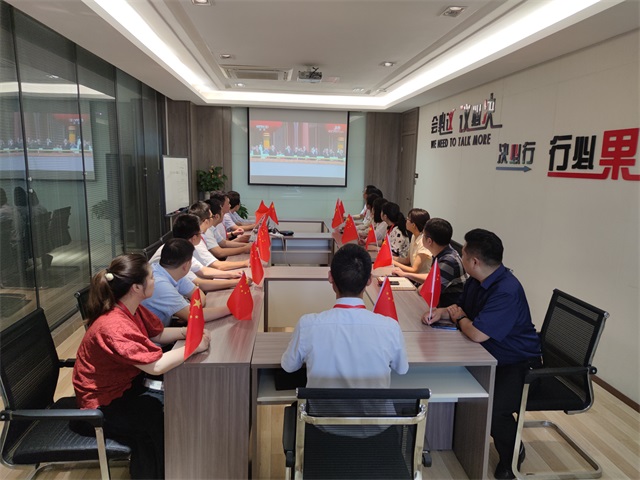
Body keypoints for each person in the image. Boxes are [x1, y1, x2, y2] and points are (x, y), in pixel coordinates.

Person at [72, 253, 211, 479]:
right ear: (136, 287)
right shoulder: (114, 325)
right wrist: (193, 346)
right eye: (151, 277)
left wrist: (187, 332)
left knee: (177, 403)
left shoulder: (130, 307)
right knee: (159, 424)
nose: (155, 280)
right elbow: (155, 367)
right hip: (103, 405)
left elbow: (156, 334)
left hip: (127, 386)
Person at [422, 229, 541, 479]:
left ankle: (512, 456)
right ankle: (451, 437)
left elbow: (476, 333)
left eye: (463, 254)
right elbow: (460, 308)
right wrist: (442, 312)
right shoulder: (477, 280)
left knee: (494, 408)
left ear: (474, 261)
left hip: (516, 362)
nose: (460, 258)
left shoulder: (506, 290)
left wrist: (460, 318)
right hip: (486, 353)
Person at [281, 243, 408, 388]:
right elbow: (402, 369)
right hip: (374, 404)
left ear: (330, 277)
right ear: (369, 280)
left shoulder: (307, 325)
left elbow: (289, 366)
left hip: (321, 404)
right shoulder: (390, 327)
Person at [142, 238, 231, 326]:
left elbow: (198, 294)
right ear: (186, 265)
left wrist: (187, 310)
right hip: (154, 334)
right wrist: (230, 308)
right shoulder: (160, 285)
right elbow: (194, 316)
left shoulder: (171, 270)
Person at [150, 214, 246, 292]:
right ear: (194, 238)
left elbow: (203, 270)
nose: (202, 235)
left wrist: (232, 274)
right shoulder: (176, 252)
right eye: (200, 233)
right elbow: (200, 283)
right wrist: (236, 282)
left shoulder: (182, 246)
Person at [394, 218, 467, 307]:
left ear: (429, 241)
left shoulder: (448, 261)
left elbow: (425, 290)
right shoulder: (444, 252)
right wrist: (406, 274)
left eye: (423, 234)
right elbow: (431, 277)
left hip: (447, 308)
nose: (421, 237)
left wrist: (417, 283)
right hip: (438, 304)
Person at [392, 208, 432, 276]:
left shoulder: (423, 242)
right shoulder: (414, 236)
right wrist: (390, 258)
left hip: (419, 280)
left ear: (413, 225)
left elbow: (414, 270)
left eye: (407, 219)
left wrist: (392, 262)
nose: (405, 221)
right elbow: (407, 260)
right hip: (412, 277)